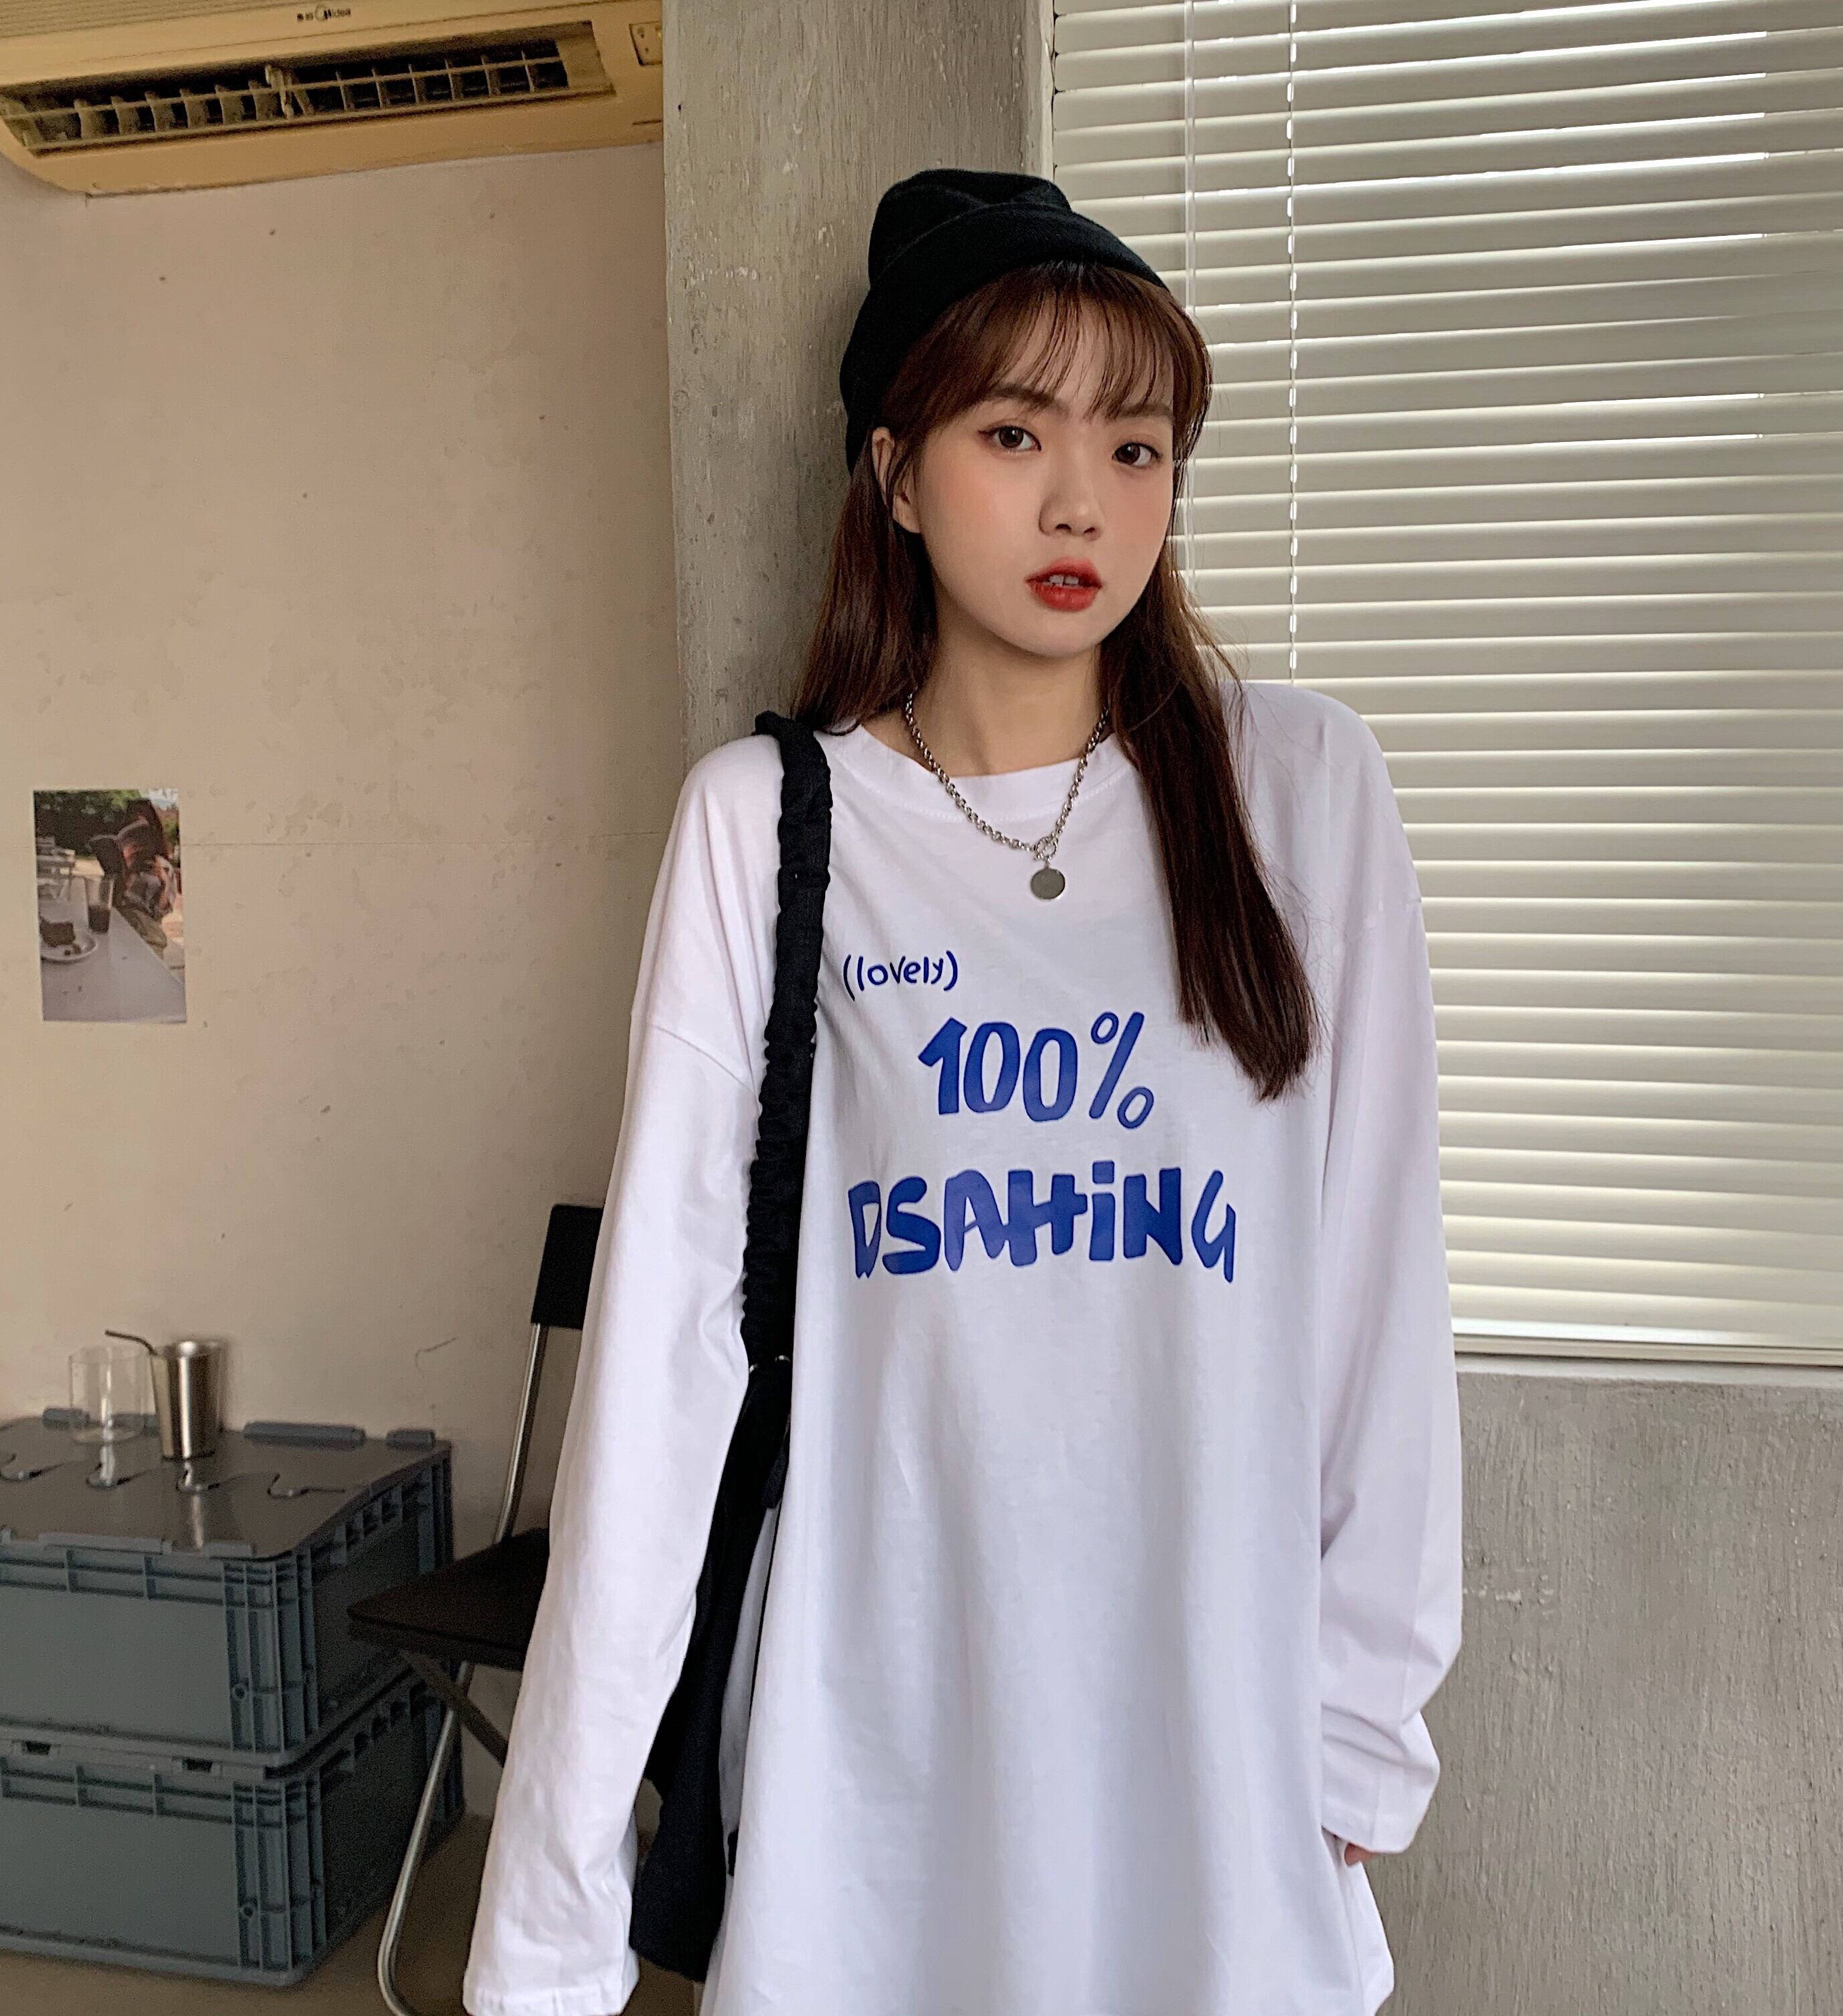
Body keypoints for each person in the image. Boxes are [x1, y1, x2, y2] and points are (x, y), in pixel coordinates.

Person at [463, 167, 1462, 2016]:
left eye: (1139, 447)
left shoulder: (1302, 795)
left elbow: (1379, 1304)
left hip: (1214, 1756)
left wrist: (1355, 1734)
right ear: (898, 474)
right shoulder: (770, 829)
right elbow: (663, 1370)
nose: (1087, 502)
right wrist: (553, 1909)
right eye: (1016, 434)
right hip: (880, 1762)